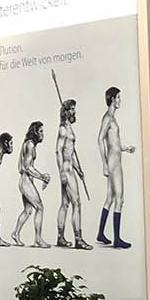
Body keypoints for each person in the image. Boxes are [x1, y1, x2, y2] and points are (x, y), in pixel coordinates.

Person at [95, 86, 137, 250]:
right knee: (120, 199)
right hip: (113, 162)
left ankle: (101, 233)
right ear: (112, 99)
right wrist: (104, 164)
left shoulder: (112, 118)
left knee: (110, 198)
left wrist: (125, 148)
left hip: (115, 158)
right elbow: (100, 139)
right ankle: (117, 239)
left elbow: (114, 143)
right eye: (118, 97)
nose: (120, 100)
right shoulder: (108, 118)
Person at [55, 98, 92, 250]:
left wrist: (78, 169)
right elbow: (58, 151)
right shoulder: (63, 129)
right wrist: (62, 172)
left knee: (65, 204)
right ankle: (78, 239)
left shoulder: (69, 127)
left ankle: (60, 238)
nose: (74, 111)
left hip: (70, 168)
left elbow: (70, 153)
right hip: (66, 170)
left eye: (74, 108)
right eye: (71, 109)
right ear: (66, 111)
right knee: (76, 203)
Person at [11, 121, 51, 248]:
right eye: (40, 131)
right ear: (35, 132)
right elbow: (27, 167)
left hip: (25, 181)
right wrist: (42, 177)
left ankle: (15, 233)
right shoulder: (30, 145)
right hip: (26, 181)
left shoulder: (27, 144)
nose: (43, 134)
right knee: (40, 208)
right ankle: (38, 239)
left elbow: (20, 166)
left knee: (28, 210)